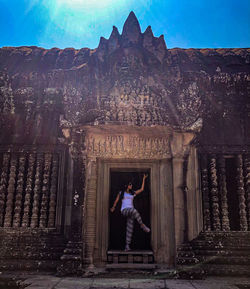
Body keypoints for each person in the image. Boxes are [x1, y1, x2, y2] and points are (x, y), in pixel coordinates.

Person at [110, 174, 150, 251]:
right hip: (125, 210)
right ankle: (142, 225)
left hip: (131, 213)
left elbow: (141, 189)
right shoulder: (121, 193)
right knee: (134, 210)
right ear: (126, 185)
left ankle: (127, 246)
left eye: (131, 184)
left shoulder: (132, 193)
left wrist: (144, 179)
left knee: (130, 228)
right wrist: (113, 207)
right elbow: (116, 200)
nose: (131, 186)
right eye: (130, 184)